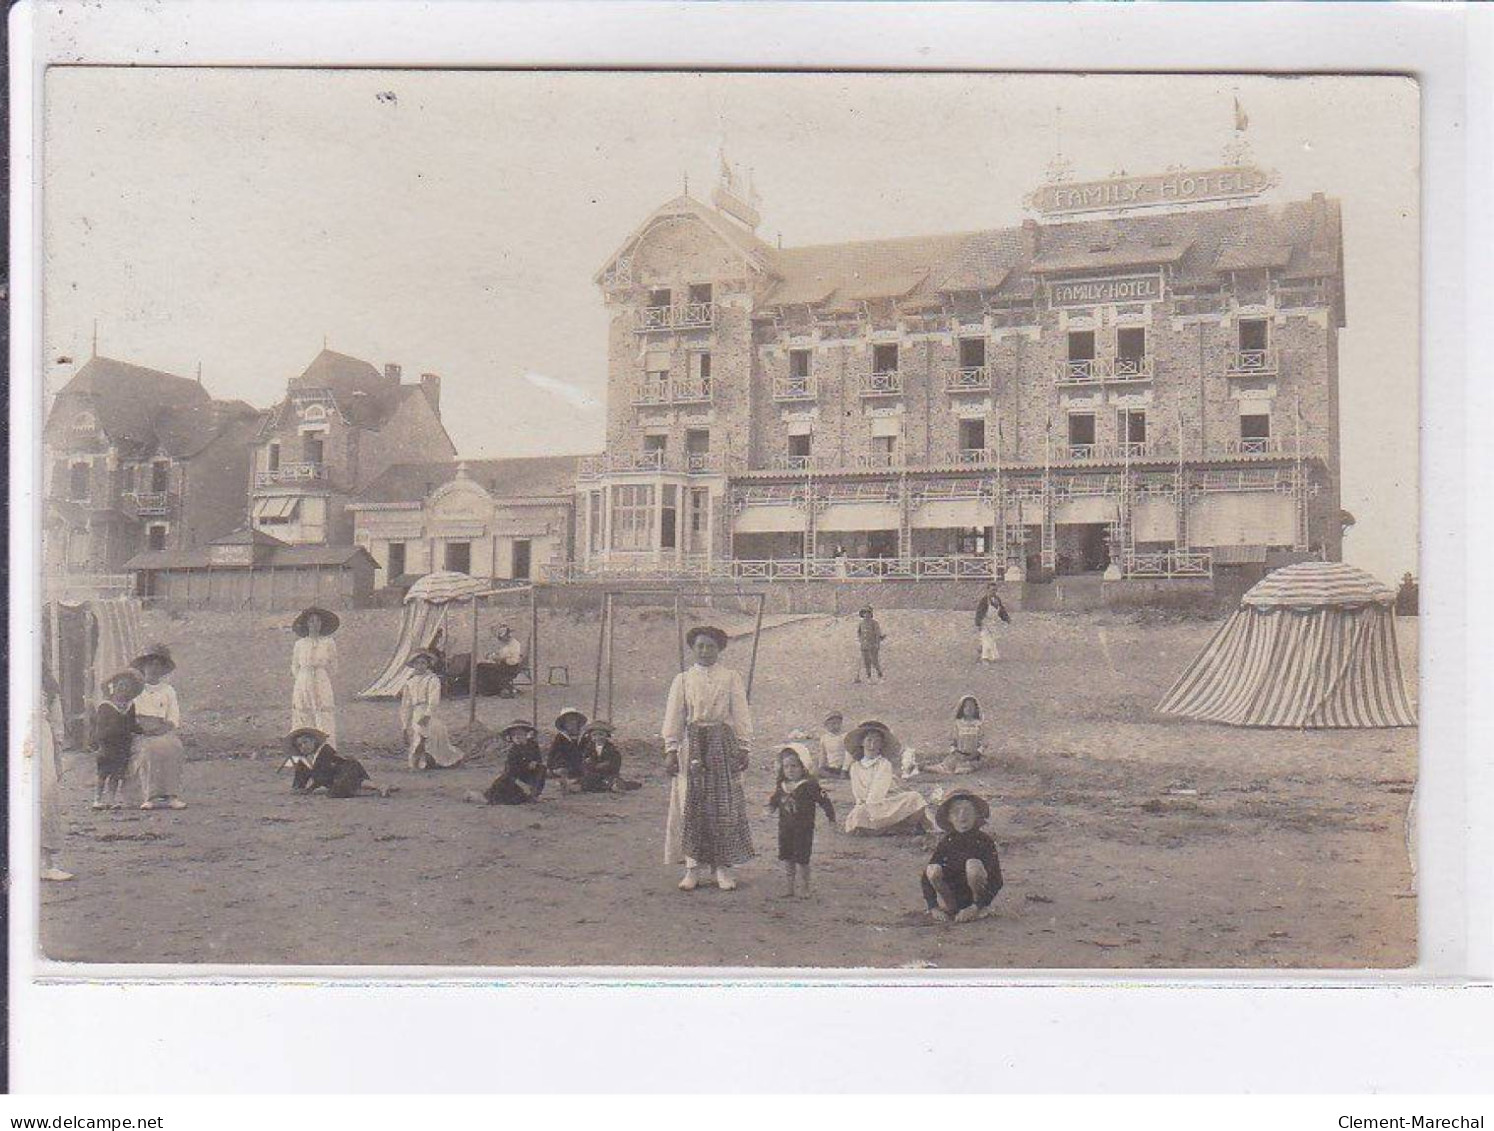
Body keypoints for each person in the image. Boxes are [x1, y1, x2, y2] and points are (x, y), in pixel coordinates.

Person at [662, 624, 754, 892]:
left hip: (722, 745)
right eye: (700, 646)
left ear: (720, 649)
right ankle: (692, 868)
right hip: (692, 745)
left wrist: (744, 746)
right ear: (693, 648)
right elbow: (674, 717)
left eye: (711, 646)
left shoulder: (730, 678)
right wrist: (670, 749)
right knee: (691, 802)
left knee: (722, 806)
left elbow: (740, 713)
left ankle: (722, 869)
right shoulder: (682, 680)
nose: (705, 651)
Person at [922, 788, 1003, 923]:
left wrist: (977, 906)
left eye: (968, 811)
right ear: (949, 818)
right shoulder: (947, 842)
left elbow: (996, 880)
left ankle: (980, 909)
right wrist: (933, 907)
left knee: (973, 866)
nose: (962, 816)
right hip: (953, 897)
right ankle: (953, 909)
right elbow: (926, 876)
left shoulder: (984, 841)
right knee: (933, 869)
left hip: (978, 899)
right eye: (956, 812)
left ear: (977, 814)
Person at [767, 743, 836, 899]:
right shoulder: (782, 785)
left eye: (794, 766)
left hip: (803, 829)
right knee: (787, 858)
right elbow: (776, 799)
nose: (790, 770)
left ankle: (805, 887)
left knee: (802, 859)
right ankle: (789, 887)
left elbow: (824, 801)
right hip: (785, 829)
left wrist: (831, 818)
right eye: (786, 767)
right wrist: (770, 807)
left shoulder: (810, 785)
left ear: (803, 766)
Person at [843, 719, 933, 835]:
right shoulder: (855, 767)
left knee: (914, 797)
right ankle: (890, 828)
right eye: (869, 740)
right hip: (866, 806)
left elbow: (878, 790)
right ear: (862, 742)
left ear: (881, 745)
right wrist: (864, 806)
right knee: (858, 815)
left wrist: (873, 808)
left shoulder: (884, 764)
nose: (872, 745)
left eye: (877, 741)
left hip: (883, 803)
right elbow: (858, 793)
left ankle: (895, 827)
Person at [131, 643, 188, 811]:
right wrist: (143, 729)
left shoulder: (168, 690)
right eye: (150, 664)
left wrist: (161, 729)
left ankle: (172, 796)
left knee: (174, 747)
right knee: (149, 750)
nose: (154, 668)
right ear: (143, 666)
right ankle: (150, 796)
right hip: (141, 732)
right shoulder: (136, 689)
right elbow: (131, 715)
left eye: (159, 665)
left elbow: (172, 718)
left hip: (162, 730)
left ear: (163, 669)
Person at [283, 727, 393, 798]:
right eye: (299, 746)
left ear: (314, 741)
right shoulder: (304, 760)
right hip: (336, 775)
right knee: (351, 786)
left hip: (347, 767)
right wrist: (300, 788)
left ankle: (379, 788)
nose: (303, 747)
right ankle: (380, 787)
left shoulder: (325, 751)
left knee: (341, 790)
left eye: (305, 742)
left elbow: (323, 775)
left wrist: (311, 788)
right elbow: (299, 784)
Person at [399, 649, 464, 770]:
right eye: (417, 663)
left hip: (428, 712)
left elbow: (434, 700)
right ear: (413, 665)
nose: (420, 666)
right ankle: (418, 763)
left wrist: (428, 715)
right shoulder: (409, 682)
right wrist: (404, 725)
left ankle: (425, 761)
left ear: (428, 664)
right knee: (418, 736)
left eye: (423, 663)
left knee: (429, 737)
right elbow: (406, 704)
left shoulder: (432, 679)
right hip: (416, 712)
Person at [39, 665, 74, 881]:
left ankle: (46, 863)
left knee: (45, 796)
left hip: (41, 740)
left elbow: (56, 722)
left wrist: (58, 756)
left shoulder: (48, 685)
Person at [93, 670, 144, 810]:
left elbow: (133, 724)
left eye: (127, 687)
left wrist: (143, 730)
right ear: (113, 687)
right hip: (107, 744)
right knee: (103, 773)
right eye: (120, 686)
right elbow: (103, 684)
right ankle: (97, 799)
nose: (123, 689)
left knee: (116, 774)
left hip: (122, 745)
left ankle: (111, 799)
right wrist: (121, 673)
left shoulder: (130, 706)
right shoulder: (106, 702)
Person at [290, 606, 340, 745]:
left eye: (318, 621)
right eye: (311, 621)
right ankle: (303, 753)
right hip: (303, 680)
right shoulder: (300, 644)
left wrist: (320, 675)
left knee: (324, 713)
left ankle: (326, 751)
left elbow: (333, 666)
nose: (315, 624)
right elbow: (294, 666)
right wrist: (303, 679)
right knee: (303, 713)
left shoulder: (328, 642)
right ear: (306, 623)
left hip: (321, 679)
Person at [904, 694, 985, 778]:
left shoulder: (978, 725)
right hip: (958, 755)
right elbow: (953, 741)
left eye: (972, 707)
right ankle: (921, 767)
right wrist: (955, 752)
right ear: (962, 709)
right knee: (945, 767)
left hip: (973, 757)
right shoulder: (958, 724)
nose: (969, 709)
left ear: (976, 709)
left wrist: (975, 753)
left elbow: (982, 743)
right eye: (966, 707)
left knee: (961, 770)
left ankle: (954, 769)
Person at [469, 719, 547, 805]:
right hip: (512, 780)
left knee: (542, 769)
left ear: (526, 734)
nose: (517, 737)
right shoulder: (513, 751)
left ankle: (535, 794)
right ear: (511, 738)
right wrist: (522, 785)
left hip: (529, 775)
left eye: (520, 734)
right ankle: (474, 796)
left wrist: (535, 762)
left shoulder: (533, 745)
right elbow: (510, 772)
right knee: (498, 799)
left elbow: (539, 759)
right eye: (514, 735)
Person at [577, 720, 639, 793]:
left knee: (609, 781)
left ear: (606, 736)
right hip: (593, 774)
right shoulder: (588, 748)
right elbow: (585, 761)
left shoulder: (611, 749)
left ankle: (615, 785)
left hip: (607, 773)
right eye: (594, 735)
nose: (598, 737)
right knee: (586, 782)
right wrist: (591, 764)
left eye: (601, 734)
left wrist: (606, 765)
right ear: (591, 736)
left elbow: (616, 762)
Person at [547, 707, 589, 789]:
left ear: (578, 723)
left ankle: (577, 781)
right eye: (568, 722)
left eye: (574, 720)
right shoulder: (560, 737)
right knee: (562, 769)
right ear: (564, 725)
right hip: (564, 763)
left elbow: (587, 749)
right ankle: (563, 780)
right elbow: (553, 753)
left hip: (579, 762)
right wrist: (551, 765)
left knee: (587, 769)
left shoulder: (583, 737)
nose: (572, 724)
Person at [483, 624, 526, 698]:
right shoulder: (511, 643)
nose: (502, 640)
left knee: (485, 669)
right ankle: (494, 689)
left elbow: (502, 656)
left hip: (510, 667)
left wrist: (492, 656)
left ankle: (492, 690)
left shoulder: (513, 644)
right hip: (508, 665)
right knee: (485, 667)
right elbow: (501, 654)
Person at [975, 583, 1011, 664]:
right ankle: (984, 657)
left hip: (993, 623)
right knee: (986, 639)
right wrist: (978, 623)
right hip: (985, 622)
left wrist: (1006, 618)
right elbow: (979, 612)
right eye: (992, 590)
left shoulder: (997, 600)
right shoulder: (984, 600)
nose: (994, 592)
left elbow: (1001, 610)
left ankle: (989, 655)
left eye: (995, 590)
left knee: (992, 639)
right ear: (988, 590)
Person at [855, 606, 886, 684]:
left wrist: (877, 644)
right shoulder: (861, 624)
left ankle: (880, 676)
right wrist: (861, 641)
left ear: (870, 614)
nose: (866, 614)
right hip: (864, 646)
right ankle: (869, 677)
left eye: (868, 612)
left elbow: (877, 634)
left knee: (874, 661)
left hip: (873, 645)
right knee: (866, 662)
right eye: (864, 613)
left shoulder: (874, 623)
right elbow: (859, 633)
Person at [819, 711, 849, 778]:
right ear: (826, 725)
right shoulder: (824, 738)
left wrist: (845, 769)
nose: (836, 726)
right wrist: (821, 766)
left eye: (838, 723)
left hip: (843, 767)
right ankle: (834, 776)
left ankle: (841, 775)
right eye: (833, 724)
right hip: (831, 767)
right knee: (820, 772)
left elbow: (848, 754)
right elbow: (823, 754)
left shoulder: (844, 736)